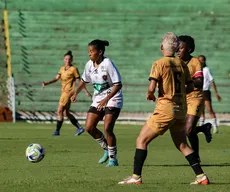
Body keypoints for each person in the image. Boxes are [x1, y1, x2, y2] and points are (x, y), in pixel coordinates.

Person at [118, 32, 209, 185]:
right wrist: (178, 93)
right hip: (181, 110)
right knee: (182, 145)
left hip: (165, 109)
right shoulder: (182, 64)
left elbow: (151, 87)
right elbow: (192, 86)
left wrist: (150, 94)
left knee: (141, 140)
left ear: (162, 47)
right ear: (175, 48)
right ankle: (201, 177)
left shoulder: (158, 63)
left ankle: (136, 177)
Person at [71, 39, 123, 167]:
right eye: (88, 51)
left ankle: (113, 159)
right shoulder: (89, 65)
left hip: (113, 98)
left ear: (100, 52)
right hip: (98, 98)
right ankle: (106, 149)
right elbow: (84, 80)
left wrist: (106, 99)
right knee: (89, 127)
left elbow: (118, 84)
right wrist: (75, 93)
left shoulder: (108, 63)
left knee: (107, 128)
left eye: (91, 51)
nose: (89, 54)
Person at [177, 36, 212, 162]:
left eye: (181, 48)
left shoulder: (195, 62)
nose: (178, 51)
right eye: (177, 48)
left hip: (195, 98)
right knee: (185, 130)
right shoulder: (176, 62)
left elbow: (199, 82)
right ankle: (203, 128)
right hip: (181, 99)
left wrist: (183, 83)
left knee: (188, 129)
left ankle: (195, 156)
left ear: (189, 49)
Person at [42, 51, 91, 136]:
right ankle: (79, 128)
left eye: (69, 59)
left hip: (68, 92)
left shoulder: (74, 69)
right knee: (66, 113)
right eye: (66, 59)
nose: (67, 60)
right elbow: (56, 78)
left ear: (71, 60)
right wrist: (47, 83)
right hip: (64, 91)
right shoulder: (62, 69)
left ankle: (57, 131)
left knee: (59, 110)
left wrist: (86, 91)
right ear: (64, 60)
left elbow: (80, 81)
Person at [198, 55, 221, 134]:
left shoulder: (206, 70)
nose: (201, 62)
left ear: (205, 61)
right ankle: (201, 128)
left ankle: (215, 127)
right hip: (199, 92)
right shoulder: (197, 70)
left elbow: (212, 81)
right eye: (200, 60)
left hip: (205, 91)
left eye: (202, 60)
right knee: (201, 110)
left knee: (209, 109)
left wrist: (216, 93)